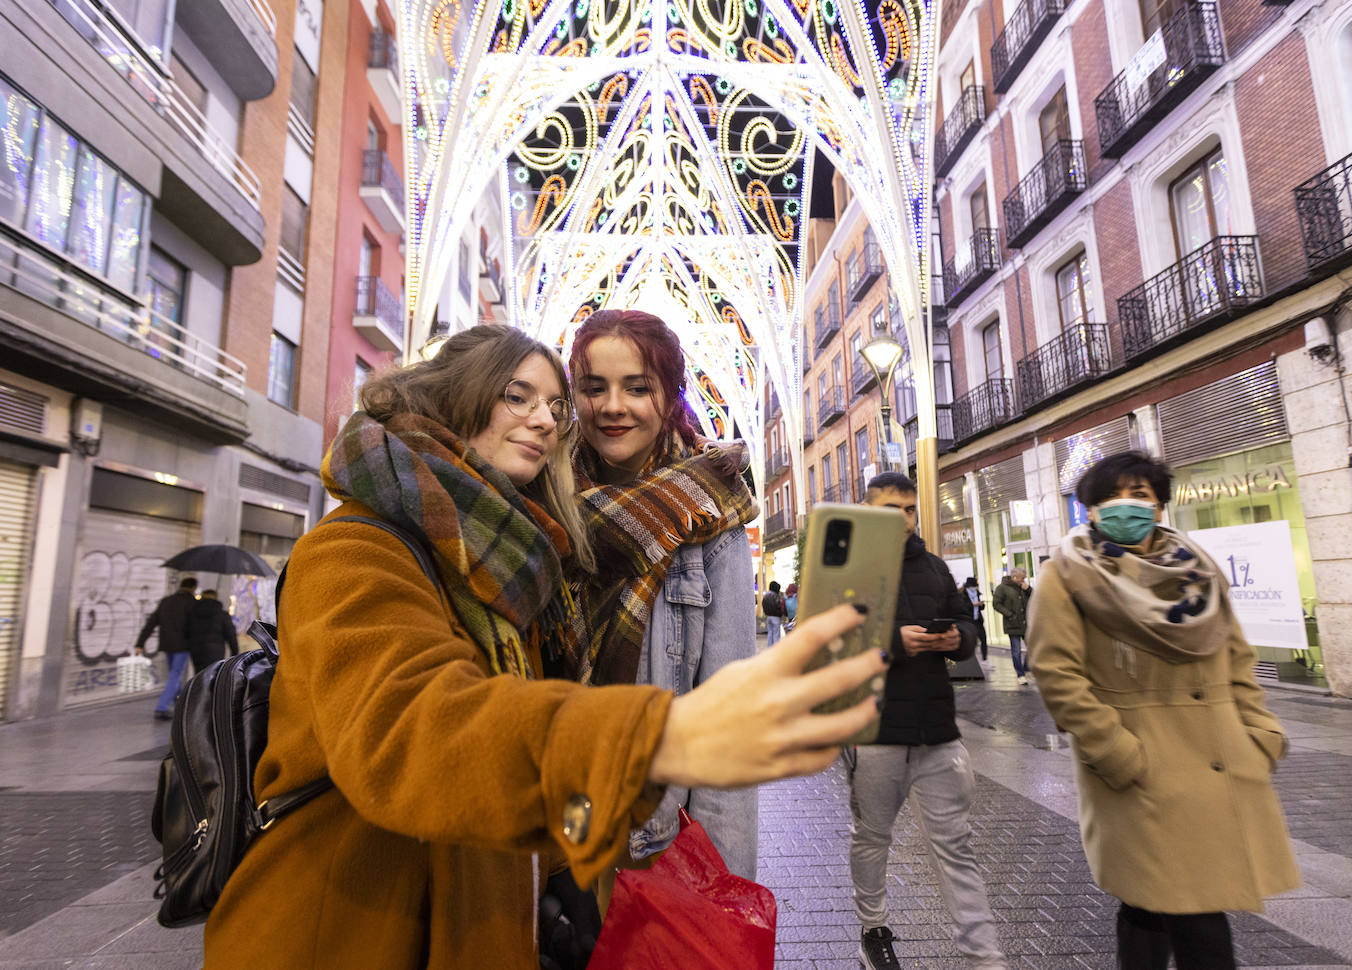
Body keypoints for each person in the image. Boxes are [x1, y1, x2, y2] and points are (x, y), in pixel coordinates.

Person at [202, 323, 887, 968]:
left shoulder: (519, 560)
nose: (546, 419)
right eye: (518, 396)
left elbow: (518, 711)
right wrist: (655, 739)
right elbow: (414, 729)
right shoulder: (354, 549)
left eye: (555, 404)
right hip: (351, 931)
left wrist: (564, 874)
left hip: (490, 910)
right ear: (455, 395)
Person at [1028, 451, 1298, 970]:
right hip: (1142, 763)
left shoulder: (1198, 571)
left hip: (1219, 755)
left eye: (1140, 496)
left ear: (1159, 506)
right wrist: (1116, 750)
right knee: (1184, 907)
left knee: (1166, 901)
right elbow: (1058, 674)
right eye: (1111, 498)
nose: (1125, 506)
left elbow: (1236, 656)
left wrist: (1260, 730)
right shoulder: (1067, 575)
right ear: (1088, 510)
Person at [568, 308, 761, 882]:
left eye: (637, 387)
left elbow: (726, 725)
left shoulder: (711, 518)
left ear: (672, 396)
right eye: (593, 387)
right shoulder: (540, 499)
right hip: (549, 824)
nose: (613, 406)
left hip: (651, 844)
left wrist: (721, 889)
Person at [847, 472, 1006, 970]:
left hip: (938, 732)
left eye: (909, 510)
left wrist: (954, 639)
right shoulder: (847, 568)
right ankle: (874, 931)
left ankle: (984, 957)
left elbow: (966, 625)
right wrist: (896, 642)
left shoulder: (936, 568)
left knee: (956, 846)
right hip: (876, 733)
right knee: (873, 838)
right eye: (889, 509)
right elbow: (827, 643)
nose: (902, 519)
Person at [134, 576, 197, 720]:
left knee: (175, 675)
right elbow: (195, 627)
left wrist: (140, 643)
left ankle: (180, 705)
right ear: (193, 588)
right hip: (183, 645)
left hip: (167, 644)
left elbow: (151, 623)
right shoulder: (192, 603)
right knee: (175, 675)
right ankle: (161, 707)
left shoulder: (166, 601)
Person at [992, 568, 1031, 685]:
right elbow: (996, 604)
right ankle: (1020, 674)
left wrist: (1028, 589)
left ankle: (1026, 668)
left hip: (1025, 623)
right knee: (1016, 650)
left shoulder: (1023, 587)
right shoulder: (1002, 588)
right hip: (1013, 624)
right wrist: (1010, 615)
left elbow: (1034, 597)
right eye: (1022, 578)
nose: (1023, 581)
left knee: (1033, 647)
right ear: (1014, 577)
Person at [186, 588, 239, 673]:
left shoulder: (193, 613)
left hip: (196, 649)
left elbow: (187, 630)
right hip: (216, 650)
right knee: (214, 674)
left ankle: (200, 686)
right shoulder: (222, 614)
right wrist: (234, 652)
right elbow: (231, 634)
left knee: (199, 674)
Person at [963, 577, 988, 662]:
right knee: (971, 641)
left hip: (978, 620)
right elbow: (963, 607)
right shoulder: (963, 594)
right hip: (969, 621)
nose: (974, 588)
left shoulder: (977, 593)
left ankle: (985, 659)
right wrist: (973, 604)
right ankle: (971, 659)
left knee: (983, 639)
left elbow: (982, 607)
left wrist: (981, 605)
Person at [762, 580, 788, 646]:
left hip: (768, 617)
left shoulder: (766, 595)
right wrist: (780, 612)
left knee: (770, 633)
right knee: (776, 634)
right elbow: (778, 605)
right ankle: (776, 648)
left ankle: (769, 648)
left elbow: (763, 604)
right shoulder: (775, 595)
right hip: (775, 617)